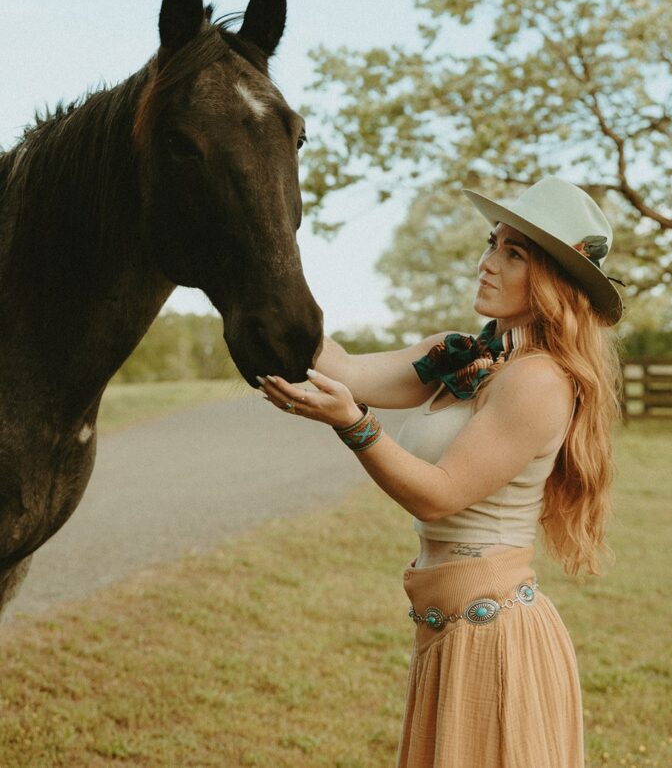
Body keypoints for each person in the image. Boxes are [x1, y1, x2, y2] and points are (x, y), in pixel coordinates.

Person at [258, 176, 623, 768]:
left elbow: (440, 496)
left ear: (554, 280)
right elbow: (345, 368)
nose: (486, 263)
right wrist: (264, 273)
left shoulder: (537, 380)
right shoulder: (461, 353)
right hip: (447, 629)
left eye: (514, 254)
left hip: (493, 638)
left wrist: (353, 424)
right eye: (491, 243)